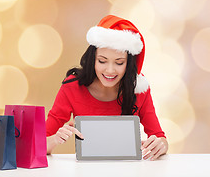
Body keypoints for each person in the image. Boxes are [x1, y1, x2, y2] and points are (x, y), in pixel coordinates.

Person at [46, 15, 168, 160]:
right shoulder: (72, 86)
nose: (110, 70)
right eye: (102, 61)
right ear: (93, 59)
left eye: (119, 62)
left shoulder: (139, 90)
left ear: (128, 64)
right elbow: (39, 144)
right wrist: (55, 139)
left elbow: (160, 138)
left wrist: (160, 145)